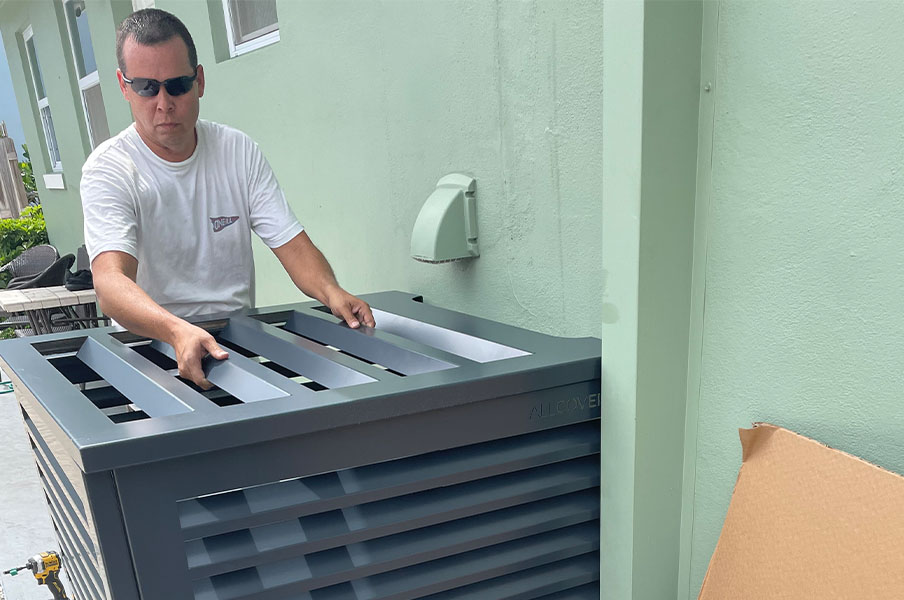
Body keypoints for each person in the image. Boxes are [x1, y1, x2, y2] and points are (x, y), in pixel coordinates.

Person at [80, 8, 374, 390]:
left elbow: (292, 244)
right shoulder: (111, 169)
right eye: (147, 88)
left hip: (236, 348)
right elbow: (110, 283)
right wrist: (175, 330)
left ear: (199, 80)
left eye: (178, 85)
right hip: (151, 352)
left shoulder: (237, 151)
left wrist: (331, 291)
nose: (164, 102)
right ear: (124, 86)